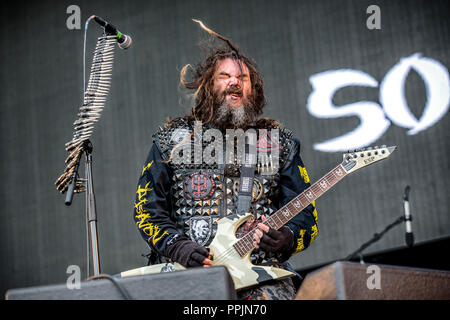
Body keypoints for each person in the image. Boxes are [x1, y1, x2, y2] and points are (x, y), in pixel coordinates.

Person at [133, 21, 318, 300]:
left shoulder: (280, 144)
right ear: (208, 85)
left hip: (262, 281)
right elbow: (146, 209)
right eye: (225, 76)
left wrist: (287, 238)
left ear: (253, 90)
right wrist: (177, 246)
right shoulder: (172, 140)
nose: (235, 82)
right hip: (188, 280)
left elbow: (307, 217)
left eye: (243, 79)